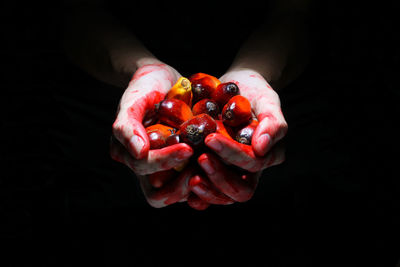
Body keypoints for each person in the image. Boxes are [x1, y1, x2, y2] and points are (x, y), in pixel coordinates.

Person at [62, 0, 312, 210]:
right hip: (98, 109)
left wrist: (257, 71)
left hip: (291, 110)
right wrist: (140, 69)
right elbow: (72, 11)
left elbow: (297, 12)